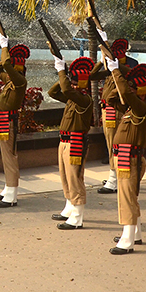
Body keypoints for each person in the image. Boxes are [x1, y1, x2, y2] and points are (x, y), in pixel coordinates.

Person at [107, 61, 146, 254]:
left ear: (139, 91)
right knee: (130, 198)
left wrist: (117, 71)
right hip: (124, 157)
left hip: (130, 159)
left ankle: (127, 241)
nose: (129, 92)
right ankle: (135, 233)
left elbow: (125, 93)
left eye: (133, 89)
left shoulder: (142, 108)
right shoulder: (130, 110)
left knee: (127, 199)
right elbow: (110, 98)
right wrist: (117, 79)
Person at [49, 56, 93, 230]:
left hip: (76, 143)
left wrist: (61, 71)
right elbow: (52, 92)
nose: (73, 86)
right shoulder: (73, 99)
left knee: (75, 179)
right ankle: (69, 207)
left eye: (76, 83)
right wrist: (65, 75)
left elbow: (66, 90)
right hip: (65, 141)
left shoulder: (84, 100)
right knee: (65, 177)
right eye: (72, 83)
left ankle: (77, 216)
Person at [92, 38, 136, 194]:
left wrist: (117, 66)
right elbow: (92, 76)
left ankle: (114, 179)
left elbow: (130, 74)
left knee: (115, 146)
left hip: (117, 110)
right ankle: (116, 176)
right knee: (110, 144)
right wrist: (101, 61)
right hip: (107, 110)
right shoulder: (110, 69)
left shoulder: (130, 65)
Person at [0, 37, 28, 207]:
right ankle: (8, 187)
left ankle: (12, 194)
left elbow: (5, 65)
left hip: (8, 122)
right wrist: (9, 55)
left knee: (10, 157)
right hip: (2, 121)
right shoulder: (11, 81)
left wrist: (5, 47)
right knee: (6, 157)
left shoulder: (19, 81)